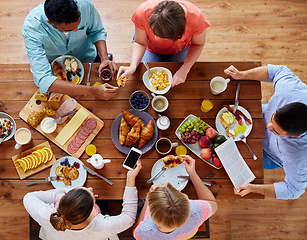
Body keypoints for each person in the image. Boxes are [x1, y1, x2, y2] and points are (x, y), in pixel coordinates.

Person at [224, 64, 307, 200]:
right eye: (273, 117)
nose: (267, 126)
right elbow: (278, 70)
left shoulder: (299, 158)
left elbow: (293, 191)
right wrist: (241, 75)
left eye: (275, 130)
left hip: (267, 154)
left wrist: (252, 188)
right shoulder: (290, 90)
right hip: (253, 116)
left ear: (296, 136)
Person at [23, 0, 118, 100]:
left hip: (88, 57)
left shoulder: (85, 5)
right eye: (69, 30)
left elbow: (96, 31)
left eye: (79, 24)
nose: (77, 30)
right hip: (59, 70)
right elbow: (43, 79)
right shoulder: (32, 28)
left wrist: (104, 58)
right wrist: (92, 91)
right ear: (50, 23)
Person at [23, 160, 142, 240]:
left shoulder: (46, 216)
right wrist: (130, 178)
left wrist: (63, 194)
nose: (90, 188)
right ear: (91, 211)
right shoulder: (104, 226)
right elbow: (129, 217)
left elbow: (28, 197)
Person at [118, 0, 209, 87]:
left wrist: (184, 69)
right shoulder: (142, 12)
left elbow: (198, 44)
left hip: (179, 50)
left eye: (162, 36)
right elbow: (140, 42)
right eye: (154, 33)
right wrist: (133, 66)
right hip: (150, 48)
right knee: (143, 72)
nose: (156, 38)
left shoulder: (197, 18)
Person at [133, 156, 217, 239]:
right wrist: (192, 173)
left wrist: (148, 199)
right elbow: (212, 203)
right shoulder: (195, 210)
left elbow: (136, 231)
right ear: (186, 200)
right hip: (186, 234)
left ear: (151, 212)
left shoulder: (144, 231)